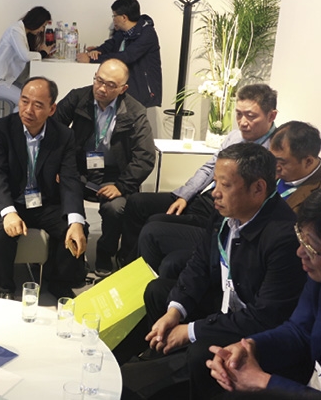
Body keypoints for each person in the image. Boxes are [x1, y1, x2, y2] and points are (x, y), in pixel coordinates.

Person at [120, 143, 306, 400]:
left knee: (201, 351)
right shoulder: (226, 213)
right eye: (215, 182)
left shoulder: (282, 237)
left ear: (258, 188)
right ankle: (163, 363)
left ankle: (174, 375)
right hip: (227, 305)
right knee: (158, 291)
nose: (214, 193)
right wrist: (175, 313)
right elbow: (198, 264)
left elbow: (265, 316)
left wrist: (191, 331)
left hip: (259, 328)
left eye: (225, 185)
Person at [120, 84, 279, 265]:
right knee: (138, 203)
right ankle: (125, 263)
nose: (242, 122)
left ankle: (136, 272)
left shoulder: (275, 150)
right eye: (238, 114)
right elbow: (209, 167)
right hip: (203, 197)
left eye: (250, 116)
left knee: (154, 225)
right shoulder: (234, 136)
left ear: (271, 116)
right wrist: (184, 195)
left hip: (222, 211)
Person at [140, 120, 321, 279]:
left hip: (253, 246)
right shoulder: (273, 170)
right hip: (227, 223)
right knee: (153, 224)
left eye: (281, 162)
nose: (274, 166)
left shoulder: (315, 197)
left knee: (170, 258)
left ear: (308, 161)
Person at [207, 189, 321, 395]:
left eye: (310, 247)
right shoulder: (316, 279)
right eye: (300, 238)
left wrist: (264, 381)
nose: (300, 252)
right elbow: (299, 331)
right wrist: (251, 347)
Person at [0, 76, 87, 300]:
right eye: (24, 101)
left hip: (45, 202)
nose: (28, 110)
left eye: (38, 105)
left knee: (73, 226)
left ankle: (59, 284)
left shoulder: (64, 135)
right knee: (2, 230)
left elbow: (70, 178)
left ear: (52, 109)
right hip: (12, 200)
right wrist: (8, 211)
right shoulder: (0, 129)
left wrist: (76, 220)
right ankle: (3, 290)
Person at [55, 58, 155, 276]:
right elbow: (53, 131)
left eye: (110, 85)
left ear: (123, 89)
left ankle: (105, 253)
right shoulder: (77, 98)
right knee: (56, 197)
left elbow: (145, 156)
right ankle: (69, 257)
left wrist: (122, 185)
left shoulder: (135, 111)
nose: (101, 88)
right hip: (78, 168)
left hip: (114, 174)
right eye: (99, 80)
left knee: (115, 208)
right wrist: (57, 168)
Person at [78, 0, 162, 108]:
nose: (113, 19)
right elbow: (109, 45)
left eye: (114, 16)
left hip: (141, 89)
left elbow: (127, 56)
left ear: (124, 17)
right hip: (126, 86)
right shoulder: (122, 33)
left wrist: (92, 60)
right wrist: (96, 51)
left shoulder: (147, 33)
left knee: (134, 117)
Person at [0, 6, 53, 108]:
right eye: (43, 26)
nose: (42, 30)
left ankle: (17, 119)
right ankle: (16, 119)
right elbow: (25, 56)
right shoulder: (15, 31)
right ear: (36, 21)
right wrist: (43, 53)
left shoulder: (22, 33)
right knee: (26, 102)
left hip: (3, 81)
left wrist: (41, 53)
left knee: (31, 97)